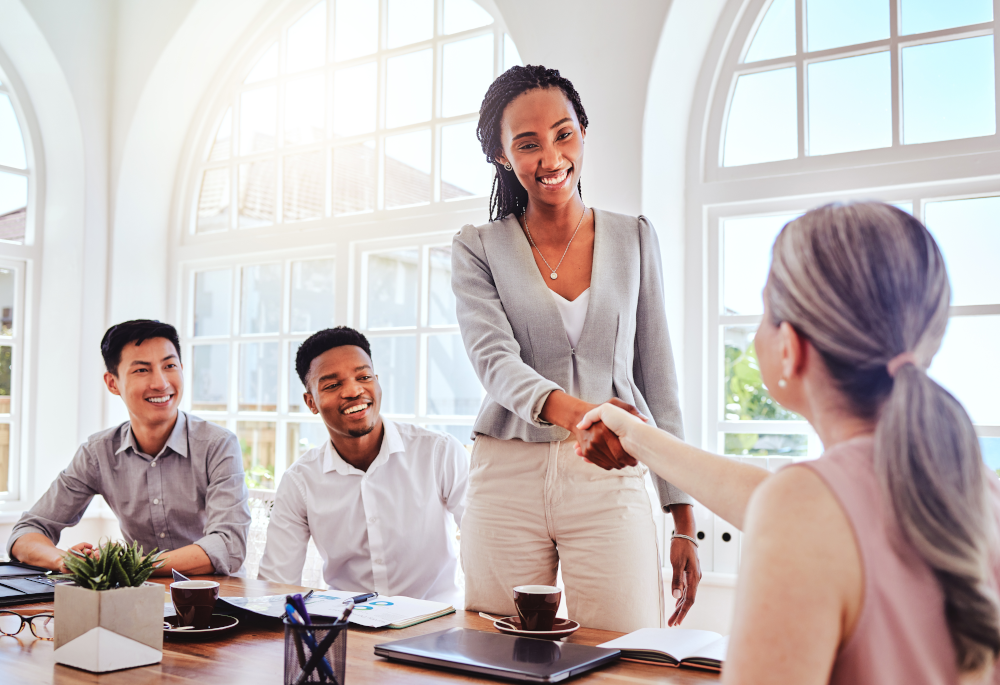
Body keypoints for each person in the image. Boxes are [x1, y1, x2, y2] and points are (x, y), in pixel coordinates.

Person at [582, 201, 1000, 684]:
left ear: (791, 348)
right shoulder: (975, 489)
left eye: (765, 311)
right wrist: (635, 435)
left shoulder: (806, 509)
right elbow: (776, 499)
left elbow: (796, 510)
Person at [452, 64, 699, 633]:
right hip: (507, 471)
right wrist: (585, 413)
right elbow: (495, 363)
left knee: (629, 649)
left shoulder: (634, 237)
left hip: (611, 472)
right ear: (501, 155)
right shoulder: (478, 247)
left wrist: (681, 516)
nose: (551, 157)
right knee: (492, 652)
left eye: (564, 134)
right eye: (528, 144)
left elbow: (658, 378)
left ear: (583, 133)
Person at [7, 320, 250, 576]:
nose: (161, 383)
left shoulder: (217, 444)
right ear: (113, 383)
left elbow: (228, 545)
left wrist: (129, 565)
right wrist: (67, 561)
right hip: (136, 600)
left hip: (217, 601)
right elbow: (26, 533)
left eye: (169, 366)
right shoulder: (98, 453)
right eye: (142, 370)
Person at [258, 327, 469, 605]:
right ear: (311, 402)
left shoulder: (439, 453)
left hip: (437, 628)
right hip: (348, 630)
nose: (354, 391)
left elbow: (485, 544)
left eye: (364, 377)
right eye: (332, 385)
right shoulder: (300, 481)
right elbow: (276, 585)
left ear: (377, 382)